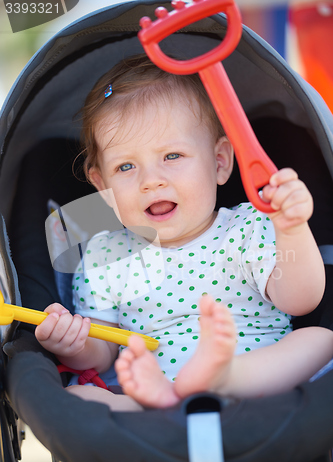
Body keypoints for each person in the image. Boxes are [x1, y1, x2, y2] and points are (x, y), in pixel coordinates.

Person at [35, 54, 333, 411]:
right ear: (103, 187)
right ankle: (160, 402)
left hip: (252, 373)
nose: (151, 180)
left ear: (220, 162)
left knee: (320, 339)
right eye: (126, 166)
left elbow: (301, 300)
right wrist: (73, 343)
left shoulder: (247, 227)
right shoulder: (106, 254)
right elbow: (102, 353)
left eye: (172, 156)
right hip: (149, 386)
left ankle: (221, 378)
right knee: (77, 398)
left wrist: (292, 230)